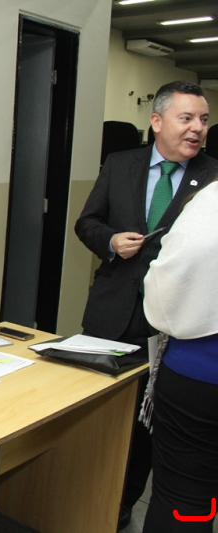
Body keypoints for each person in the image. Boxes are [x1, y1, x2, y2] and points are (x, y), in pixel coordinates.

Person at [74, 80, 217, 529]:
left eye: (204, 120)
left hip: (169, 329)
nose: (197, 129)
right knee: (90, 414)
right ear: (156, 121)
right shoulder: (121, 164)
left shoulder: (213, 178)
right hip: (110, 314)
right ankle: (76, 499)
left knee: (144, 429)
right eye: (186, 118)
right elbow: (86, 222)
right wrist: (111, 241)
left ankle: (121, 508)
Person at [141, 179, 218, 533]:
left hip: (199, 373)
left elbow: (164, 292)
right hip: (200, 377)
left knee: (184, 501)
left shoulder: (209, 201)